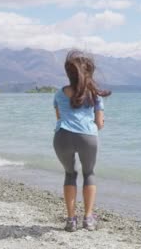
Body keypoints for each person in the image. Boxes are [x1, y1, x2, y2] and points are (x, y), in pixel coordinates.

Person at [53, 50, 111, 232]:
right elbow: (99, 124)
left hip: (62, 136)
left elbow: (59, 118)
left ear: (69, 73)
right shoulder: (95, 95)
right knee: (89, 173)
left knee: (70, 174)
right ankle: (88, 219)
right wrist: (98, 122)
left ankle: (71, 220)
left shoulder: (59, 94)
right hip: (87, 137)